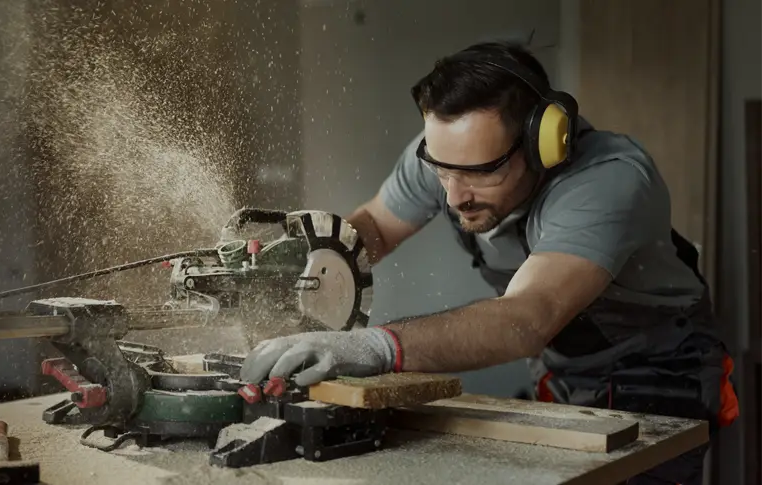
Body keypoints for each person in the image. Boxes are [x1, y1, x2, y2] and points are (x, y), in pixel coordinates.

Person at [239, 42, 738, 484]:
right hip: (561, 368)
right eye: (441, 170)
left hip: (656, 373)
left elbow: (528, 317)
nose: (454, 196)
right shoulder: (445, 158)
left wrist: (373, 346)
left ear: (543, 142)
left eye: (479, 173)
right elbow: (374, 228)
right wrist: (306, 266)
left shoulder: (608, 182)